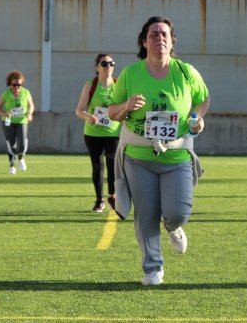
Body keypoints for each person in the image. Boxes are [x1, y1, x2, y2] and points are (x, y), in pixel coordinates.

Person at [108, 16, 210, 286]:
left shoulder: (186, 72)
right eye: (153, 34)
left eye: (164, 34)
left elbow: (203, 99)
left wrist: (198, 119)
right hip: (138, 158)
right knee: (146, 214)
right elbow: (112, 112)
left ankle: (173, 226)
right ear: (144, 41)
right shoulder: (130, 74)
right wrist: (127, 106)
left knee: (178, 212)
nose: (159, 38)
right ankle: (152, 270)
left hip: (177, 157)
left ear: (172, 40)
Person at [75, 54, 121, 213]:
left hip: (113, 132)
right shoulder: (91, 85)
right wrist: (89, 117)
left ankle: (113, 196)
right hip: (93, 133)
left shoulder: (119, 85)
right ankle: (99, 200)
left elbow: (124, 109)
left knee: (112, 162)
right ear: (97, 67)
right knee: (97, 166)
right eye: (104, 63)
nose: (108, 66)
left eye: (111, 63)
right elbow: (79, 110)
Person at [0, 70, 35, 174]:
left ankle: (21, 158)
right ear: (10, 84)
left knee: (21, 145)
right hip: (8, 122)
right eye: (14, 85)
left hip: (22, 121)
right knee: (11, 144)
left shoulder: (26, 92)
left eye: (19, 85)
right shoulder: (6, 94)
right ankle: (12, 165)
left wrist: (30, 113)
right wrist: (4, 113)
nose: (17, 87)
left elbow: (31, 105)